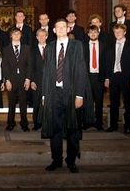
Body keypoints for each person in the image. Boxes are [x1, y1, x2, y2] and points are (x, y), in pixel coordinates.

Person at [41, 19, 92, 174]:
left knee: (72, 128)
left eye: (64, 27)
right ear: (54, 30)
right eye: (58, 27)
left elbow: (82, 71)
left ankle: (71, 161)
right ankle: (56, 160)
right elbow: (46, 72)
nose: (61, 29)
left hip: (71, 93)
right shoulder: (49, 47)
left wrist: (79, 95)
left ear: (67, 29)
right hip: (54, 92)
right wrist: (44, 95)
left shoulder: (76, 45)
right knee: (55, 127)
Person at [104, 24, 130, 134]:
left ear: (125, 32)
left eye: (120, 32)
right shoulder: (110, 47)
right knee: (114, 102)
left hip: (127, 77)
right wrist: (107, 78)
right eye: (116, 32)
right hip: (114, 76)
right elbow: (108, 64)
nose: (117, 34)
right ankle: (113, 125)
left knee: (128, 102)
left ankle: (128, 126)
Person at [2, 27, 32, 132]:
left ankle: (24, 123)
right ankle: (10, 123)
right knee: (11, 102)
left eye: (18, 34)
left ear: (21, 36)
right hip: (11, 79)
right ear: (11, 36)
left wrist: (28, 79)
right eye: (14, 34)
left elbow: (29, 65)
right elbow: (4, 66)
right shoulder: (6, 49)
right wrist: (7, 80)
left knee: (23, 102)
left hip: (23, 79)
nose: (16, 36)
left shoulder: (26, 48)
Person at [83, 25, 106, 130]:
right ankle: (88, 121)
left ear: (98, 33)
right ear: (88, 34)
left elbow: (107, 63)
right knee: (88, 101)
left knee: (99, 100)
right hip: (87, 76)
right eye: (91, 32)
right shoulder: (83, 46)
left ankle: (99, 122)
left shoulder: (104, 46)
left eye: (95, 32)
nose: (93, 34)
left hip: (99, 77)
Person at [30, 29, 47, 131]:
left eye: (43, 35)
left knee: (47, 103)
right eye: (39, 36)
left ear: (46, 36)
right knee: (36, 102)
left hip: (49, 81)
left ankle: (46, 122)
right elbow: (30, 66)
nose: (41, 37)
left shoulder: (51, 48)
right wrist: (32, 80)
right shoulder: (32, 50)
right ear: (36, 37)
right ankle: (36, 123)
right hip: (36, 80)